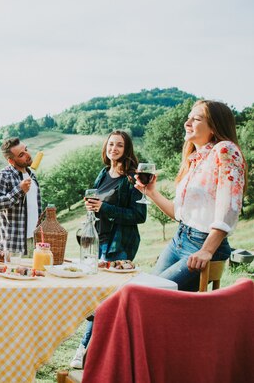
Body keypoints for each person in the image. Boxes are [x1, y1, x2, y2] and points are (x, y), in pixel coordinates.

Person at [137, 100, 246, 291]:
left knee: (147, 295)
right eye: (188, 118)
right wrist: (151, 193)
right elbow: (179, 214)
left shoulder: (225, 150)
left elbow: (231, 206)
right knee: (140, 290)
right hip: (179, 239)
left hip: (203, 244)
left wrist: (207, 250)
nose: (186, 123)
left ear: (214, 126)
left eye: (195, 119)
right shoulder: (195, 159)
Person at [70, 130, 147, 369]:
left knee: (102, 299)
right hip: (97, 241)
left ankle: (84, 348)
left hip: (119, 246)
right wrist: (92, 207)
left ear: (127, 149)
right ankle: (96, 349)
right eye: (111, 144)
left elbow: (139, 215)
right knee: (98, 296)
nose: (114, 149)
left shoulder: (132, 178)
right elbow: (97, 206)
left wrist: (104, 208)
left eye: (119, 145)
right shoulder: (103, 173)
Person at [0, 137, 43, 257]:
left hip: (34, 243)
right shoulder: (3, 176)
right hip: (13, 246)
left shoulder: (31, 175)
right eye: (21, 155)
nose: (28, 155)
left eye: (26, 150)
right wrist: (19, 190)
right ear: (11, 161)